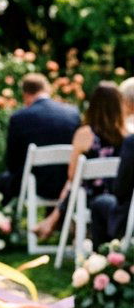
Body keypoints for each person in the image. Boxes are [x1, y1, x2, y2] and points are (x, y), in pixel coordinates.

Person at [31, 81, 127, 242]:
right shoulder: (128, 135)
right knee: (72, 185)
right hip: (119, 196)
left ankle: (52, 221)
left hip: (88, 198)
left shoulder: (85, 134)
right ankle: (52, 222)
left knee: (72, 184)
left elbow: (72, 174)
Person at [0, 72, 80, 202]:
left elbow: (12, 162)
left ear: (25, 95)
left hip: (34, 185)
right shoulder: (73, 113)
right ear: (47, 89)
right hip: (68, 183)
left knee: (3, 179)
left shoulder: (19, 118)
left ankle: (9, 212)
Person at [89, 133, 134, 246]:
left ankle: (105, 254)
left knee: (99, 203)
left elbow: (120, 190)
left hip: (129, 218)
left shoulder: (131, 142)